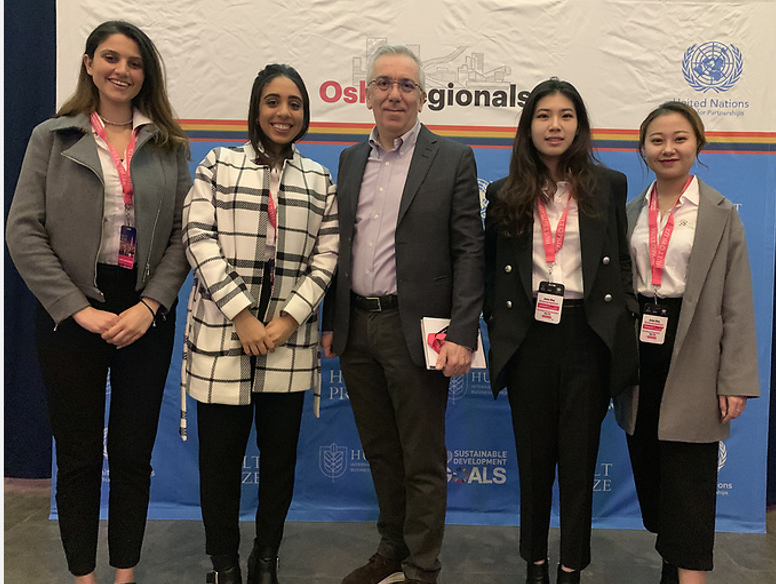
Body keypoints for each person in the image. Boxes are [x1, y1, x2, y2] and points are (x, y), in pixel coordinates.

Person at [5, 20, 191, 584]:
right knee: (81, 456)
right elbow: (23, 232)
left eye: (134, 63)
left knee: (133, 455)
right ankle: (83, 577)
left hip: (143, 310)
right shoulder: (52, 137)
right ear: (88, 64)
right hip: (72, 311)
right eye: (110, 58)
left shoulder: (167, 143)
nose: (122, 71)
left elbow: (187, 234)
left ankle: (124, 575)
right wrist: (76, 308)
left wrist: (152, 305)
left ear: (145, 74)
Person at [320, 44, 484, 584]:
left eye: (406, 85)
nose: (395, 94)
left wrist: (463, 331)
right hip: (356, 328)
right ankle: (390, 549)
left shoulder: (453, 157)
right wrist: (330, 321)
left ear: (422, 96)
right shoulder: (349, 159)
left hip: (418, 333)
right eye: (384, 83)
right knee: (381, 453)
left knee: (422, 458)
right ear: (366, 93)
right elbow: (338, 247)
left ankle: (421, 567)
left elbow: (468, 250)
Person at [181, 63, 338, 584]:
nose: (283, 113)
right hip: (224, 337)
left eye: (294, 103)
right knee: (220, 466)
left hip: (288, 345)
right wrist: (243, 316)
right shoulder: (217, 165)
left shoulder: (318, 179)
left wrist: (289, 319)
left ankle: (265, 559)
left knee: (279, 465)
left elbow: (327, 256)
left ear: (305, 115)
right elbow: (197, 238)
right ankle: (224, 566)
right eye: (272, 101)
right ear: (255, 108)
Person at [483, 78, 638, 584]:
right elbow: (490, 270)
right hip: (528, 339)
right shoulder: (504, 193)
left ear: (579, 124)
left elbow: (622, 266)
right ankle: (536, 563)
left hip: (587, 337)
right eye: (543, 115)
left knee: (579, 461)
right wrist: (496, 323)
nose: (555, 125)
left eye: (566, 115)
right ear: (528, 126)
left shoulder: (608, 185)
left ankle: (571, 566)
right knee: (533, 462)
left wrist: (622, 322)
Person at [614, 101, 759, 584]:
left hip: (695, 345)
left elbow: (737, 301)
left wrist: (734, 378)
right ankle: (672, 565)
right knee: (651, 471)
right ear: (643, 149)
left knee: (691, 476)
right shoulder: (632, 211)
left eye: (679, 138)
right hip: (640, 346)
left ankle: (689, 572)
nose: (668, 148)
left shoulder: (721, 213)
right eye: (657, 140)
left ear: (698, 144)